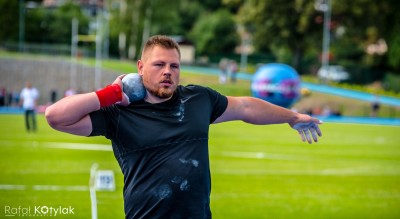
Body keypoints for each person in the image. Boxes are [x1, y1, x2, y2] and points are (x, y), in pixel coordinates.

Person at [45, 35, 322, 219]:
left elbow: (247, 107)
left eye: (174, 66)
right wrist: (113, 94)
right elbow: (56, 117)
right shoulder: (120, 112)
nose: (168, 71)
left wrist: (293, 117)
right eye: (159, 64)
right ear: (140, 67)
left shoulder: (198, 99)